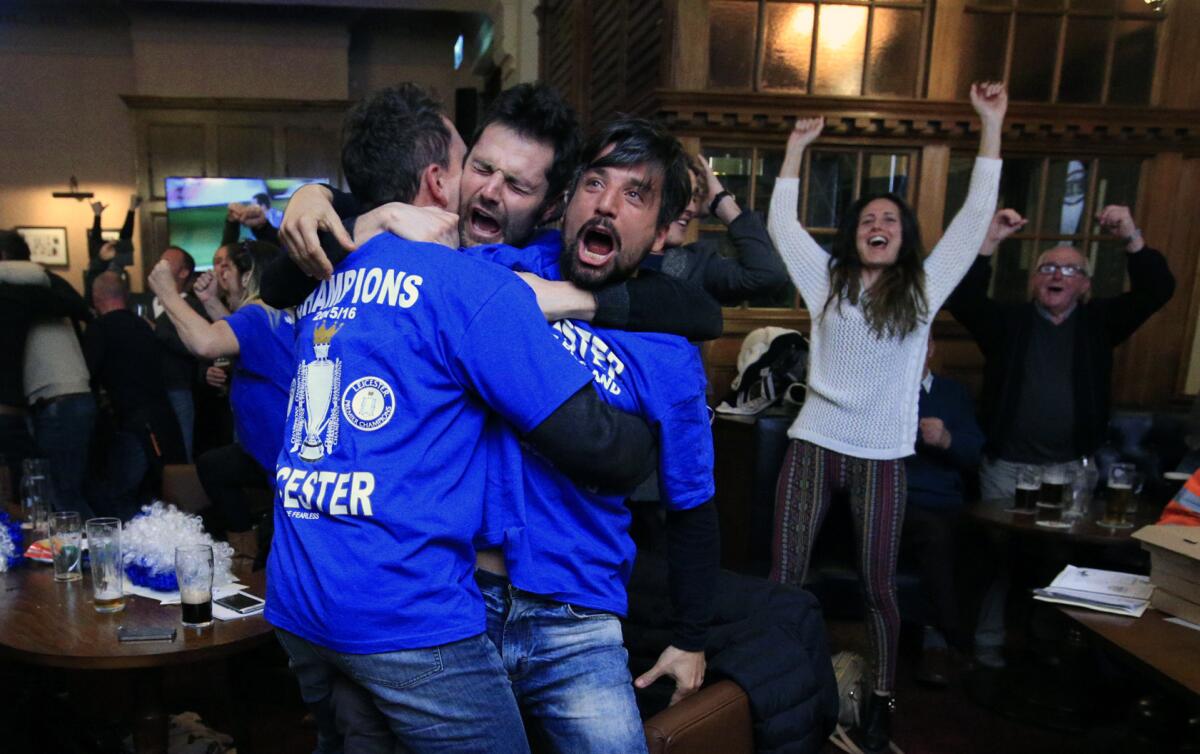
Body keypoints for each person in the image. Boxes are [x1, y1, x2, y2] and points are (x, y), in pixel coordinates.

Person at [267, 83, 660, 754]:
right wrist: (321, 202)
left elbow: (689, 299)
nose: (488, 192)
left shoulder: (352, 267)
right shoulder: (460, 282)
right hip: (417, 603)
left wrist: (576, 300)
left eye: (518, 184)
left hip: (315, 597)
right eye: (478, 167)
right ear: (438, 178)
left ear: (550, 207)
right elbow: (604, 447)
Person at [765, 81, 1007, 751]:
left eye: (891, 221)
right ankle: (780, 688)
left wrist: (991, 123)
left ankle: (880, 705)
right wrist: (794, 149)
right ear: (855, 233)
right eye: (869, 219)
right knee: (785, 577)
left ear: (904, 240)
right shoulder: (829, 283)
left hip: (880, 456)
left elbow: (973, 214)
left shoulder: (924, 291)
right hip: (814, 441)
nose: (878, 226)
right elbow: (783, 227)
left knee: (878, 585)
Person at [946, 204, 1175, 667]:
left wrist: (1130, 234)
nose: (1057, 275)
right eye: (1047, 267)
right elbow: (963, 295)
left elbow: (1158, 289)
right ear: (1034, 280)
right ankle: (987, 648)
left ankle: (1048, 650)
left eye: (1070, 270)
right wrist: (990, 240)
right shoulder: (1006, 325)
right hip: (1006, 466)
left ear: (1085, 286)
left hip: (1071, 469)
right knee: (998, 559)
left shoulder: (1099, 325)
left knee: (1059, 562)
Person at [147, 240, 290, 563]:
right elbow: (234, 336)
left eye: (229, 268)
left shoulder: (258, 314)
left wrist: (167, 293)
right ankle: (245, 543)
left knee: (278, 558)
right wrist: (210, 302)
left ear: (250, 274)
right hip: (274, 451)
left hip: (279, 455)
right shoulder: (277, 314)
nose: (221, 274)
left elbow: (207, 342)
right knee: (215, 465)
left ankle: (251, 549)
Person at [901, 340, 984, 687]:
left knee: (984, 546)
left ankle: (955, 642)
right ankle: (949, 643)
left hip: (951, 503)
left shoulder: (953, 393)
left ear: (932, 348)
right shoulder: (885, 392)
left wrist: (947, 439)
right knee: (934, 536)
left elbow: (974, 452)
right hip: (901, 501)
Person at [0, 236, 96, 517]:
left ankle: (95, 554)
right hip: (64, 398)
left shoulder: (26, 289)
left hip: (59, 401)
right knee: (61, 493)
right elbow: (82, 309)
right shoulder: (47, 288)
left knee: (60, 495)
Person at [83, 272, 186, 519]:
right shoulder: (145, 325)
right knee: (157, 497)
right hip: (163, 420)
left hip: (133, 424)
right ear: (125, 295)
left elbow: (88, 376)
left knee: (121, 496)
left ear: (96, 298)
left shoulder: (99, 330)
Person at [649, 152, 788, 306]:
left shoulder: (696, 265)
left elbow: (768, 275)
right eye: (679, 195)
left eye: (694, 198)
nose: (691, 207)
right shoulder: (620, 257)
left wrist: (721, 201)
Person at [151, 246, 204, 461]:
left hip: (179, 387)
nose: (159, 266)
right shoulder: (146, 301)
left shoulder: (193, 306)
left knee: (182, 449)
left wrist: (156, 331)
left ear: (183, 273)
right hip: (151, 390)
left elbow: (194, 347)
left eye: (167, 262)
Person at [84, 195, 140, 305]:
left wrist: (97, 215)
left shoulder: (112, 260)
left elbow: (125, 237)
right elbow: (126, 236)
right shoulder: (100, 266)